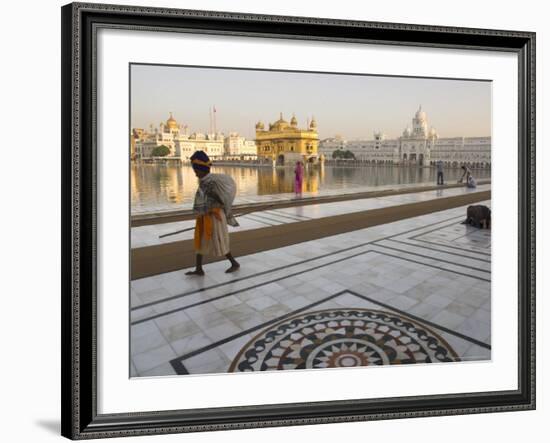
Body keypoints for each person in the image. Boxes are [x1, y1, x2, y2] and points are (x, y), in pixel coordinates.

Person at [185, 151, 240, 276]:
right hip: (206, 215)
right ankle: (199, 269)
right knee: (201, 240)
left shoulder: (210, 182)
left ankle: (234, 263)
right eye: (194, 170)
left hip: (215, 216)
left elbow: (220, 199)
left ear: (203, 169)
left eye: (196, 171)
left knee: (220, 240)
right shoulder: (205, 180)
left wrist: (215, 206)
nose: (195, 173)